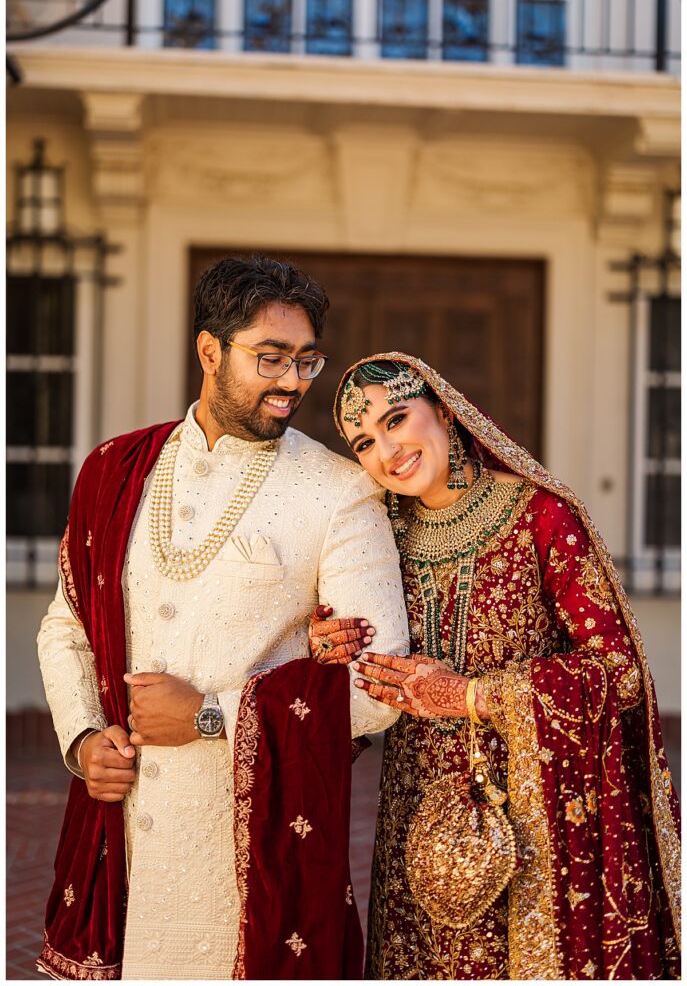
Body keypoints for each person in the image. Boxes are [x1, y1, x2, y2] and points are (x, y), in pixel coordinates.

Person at [35, 258, 409, 981]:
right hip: (119, 838)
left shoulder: (339, 492)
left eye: (306, 360)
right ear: (210, 351)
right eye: (269, 358)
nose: (293, 381)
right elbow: (68, 624)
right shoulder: (114, 468)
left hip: (251, 851)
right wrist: (82, 739)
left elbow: (377, 683)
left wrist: (210, 716)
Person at [316, 352, 680, 980]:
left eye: (397, 418)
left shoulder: (541, 517)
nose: (388, 450)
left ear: (445, 411)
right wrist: (329, 646)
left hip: (538, 819)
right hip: (416, 814)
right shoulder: (372, 538)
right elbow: (352, 684)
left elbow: (618, 671)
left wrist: (474, 697)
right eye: (364, 442)